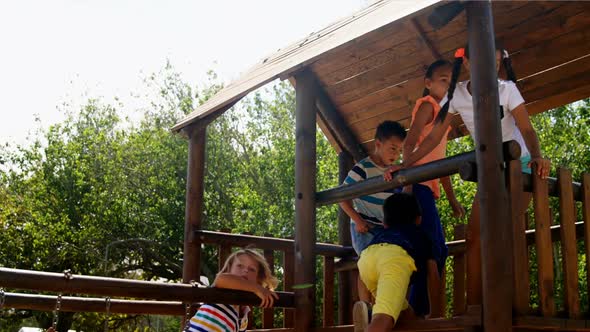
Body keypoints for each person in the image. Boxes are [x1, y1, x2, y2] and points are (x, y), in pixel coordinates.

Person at [385, 43, 551, 303]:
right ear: (467, 64)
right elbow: (433, 137)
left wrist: (538, 155)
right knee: (475, 237)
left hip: (521, 165)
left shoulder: (507, 90)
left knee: (502, 233)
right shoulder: (458, 95)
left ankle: (508, 303)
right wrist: (407, 164)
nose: (490, 68)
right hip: (491, 169)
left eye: (495, 64)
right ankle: (475, 306)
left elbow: (527, 129)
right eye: (484, 61)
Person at [401, 59, 466, 317]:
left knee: (439, 249)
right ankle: (419, 311)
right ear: (428, 84)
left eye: (451, 81)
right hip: (417, 186)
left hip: (427, 188)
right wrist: (405, 175)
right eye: (442, 79)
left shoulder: (444, 121)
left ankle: (420, 308)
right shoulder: (427, 106)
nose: (447, 84)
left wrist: (452, 200)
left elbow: (442, 166)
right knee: (432, 248)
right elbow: (411, 140)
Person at [338, 120, 406, 306]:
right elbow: (342, 196)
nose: (396, 154)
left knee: (386, 264)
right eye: (392, 149)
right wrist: (357, 219)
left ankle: (381, 307)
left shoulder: (394, 170)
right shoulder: (363, 168)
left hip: (385, 227)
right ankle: (365, 307)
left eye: (400, 150)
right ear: (378, 145)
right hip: (364, 226)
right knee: (367, 264)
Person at [355, 192, 439, 332]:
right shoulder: (421, 236)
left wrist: (366, 300)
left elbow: (363, 273)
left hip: (366, 257)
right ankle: (373, 320)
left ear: (384, 223)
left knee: (406, 314)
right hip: (394, 258)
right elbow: (433, 274)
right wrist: (436, 312)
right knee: (383, 318)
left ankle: (367, 309)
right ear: (418, 219)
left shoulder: (382, 234)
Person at [186, 248, 279, 332]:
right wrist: (257, 288)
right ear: (228, 270)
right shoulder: (220, 292)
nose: (246, 270)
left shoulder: (244, 313)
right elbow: (221, 279)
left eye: (252, 269)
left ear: (258, 279)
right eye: (240, 266)